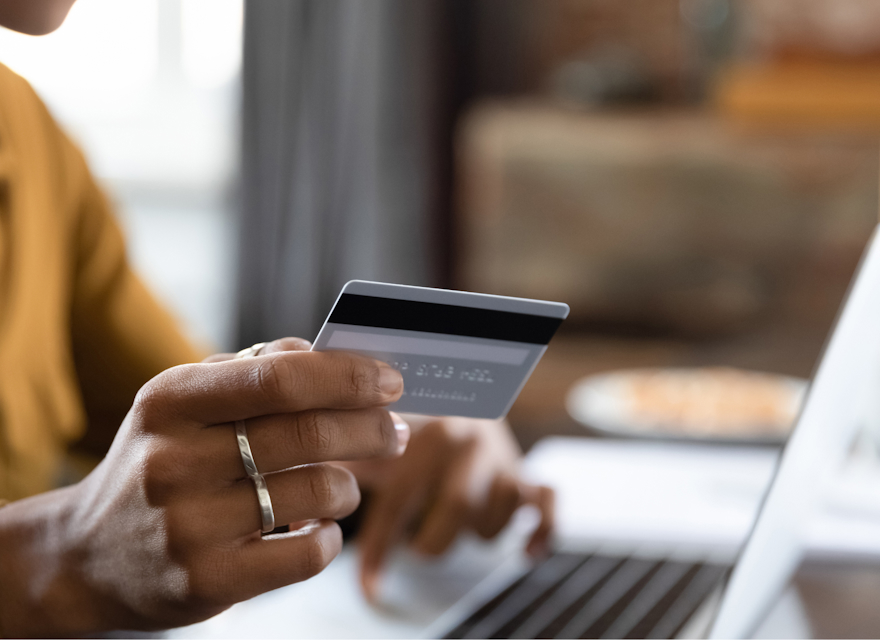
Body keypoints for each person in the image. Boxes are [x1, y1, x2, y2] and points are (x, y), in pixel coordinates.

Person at [0, 0, 553, 636]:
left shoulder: (28, 133)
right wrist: (56, 560)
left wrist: (397, 441)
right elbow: (107, 526)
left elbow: (186, 442)